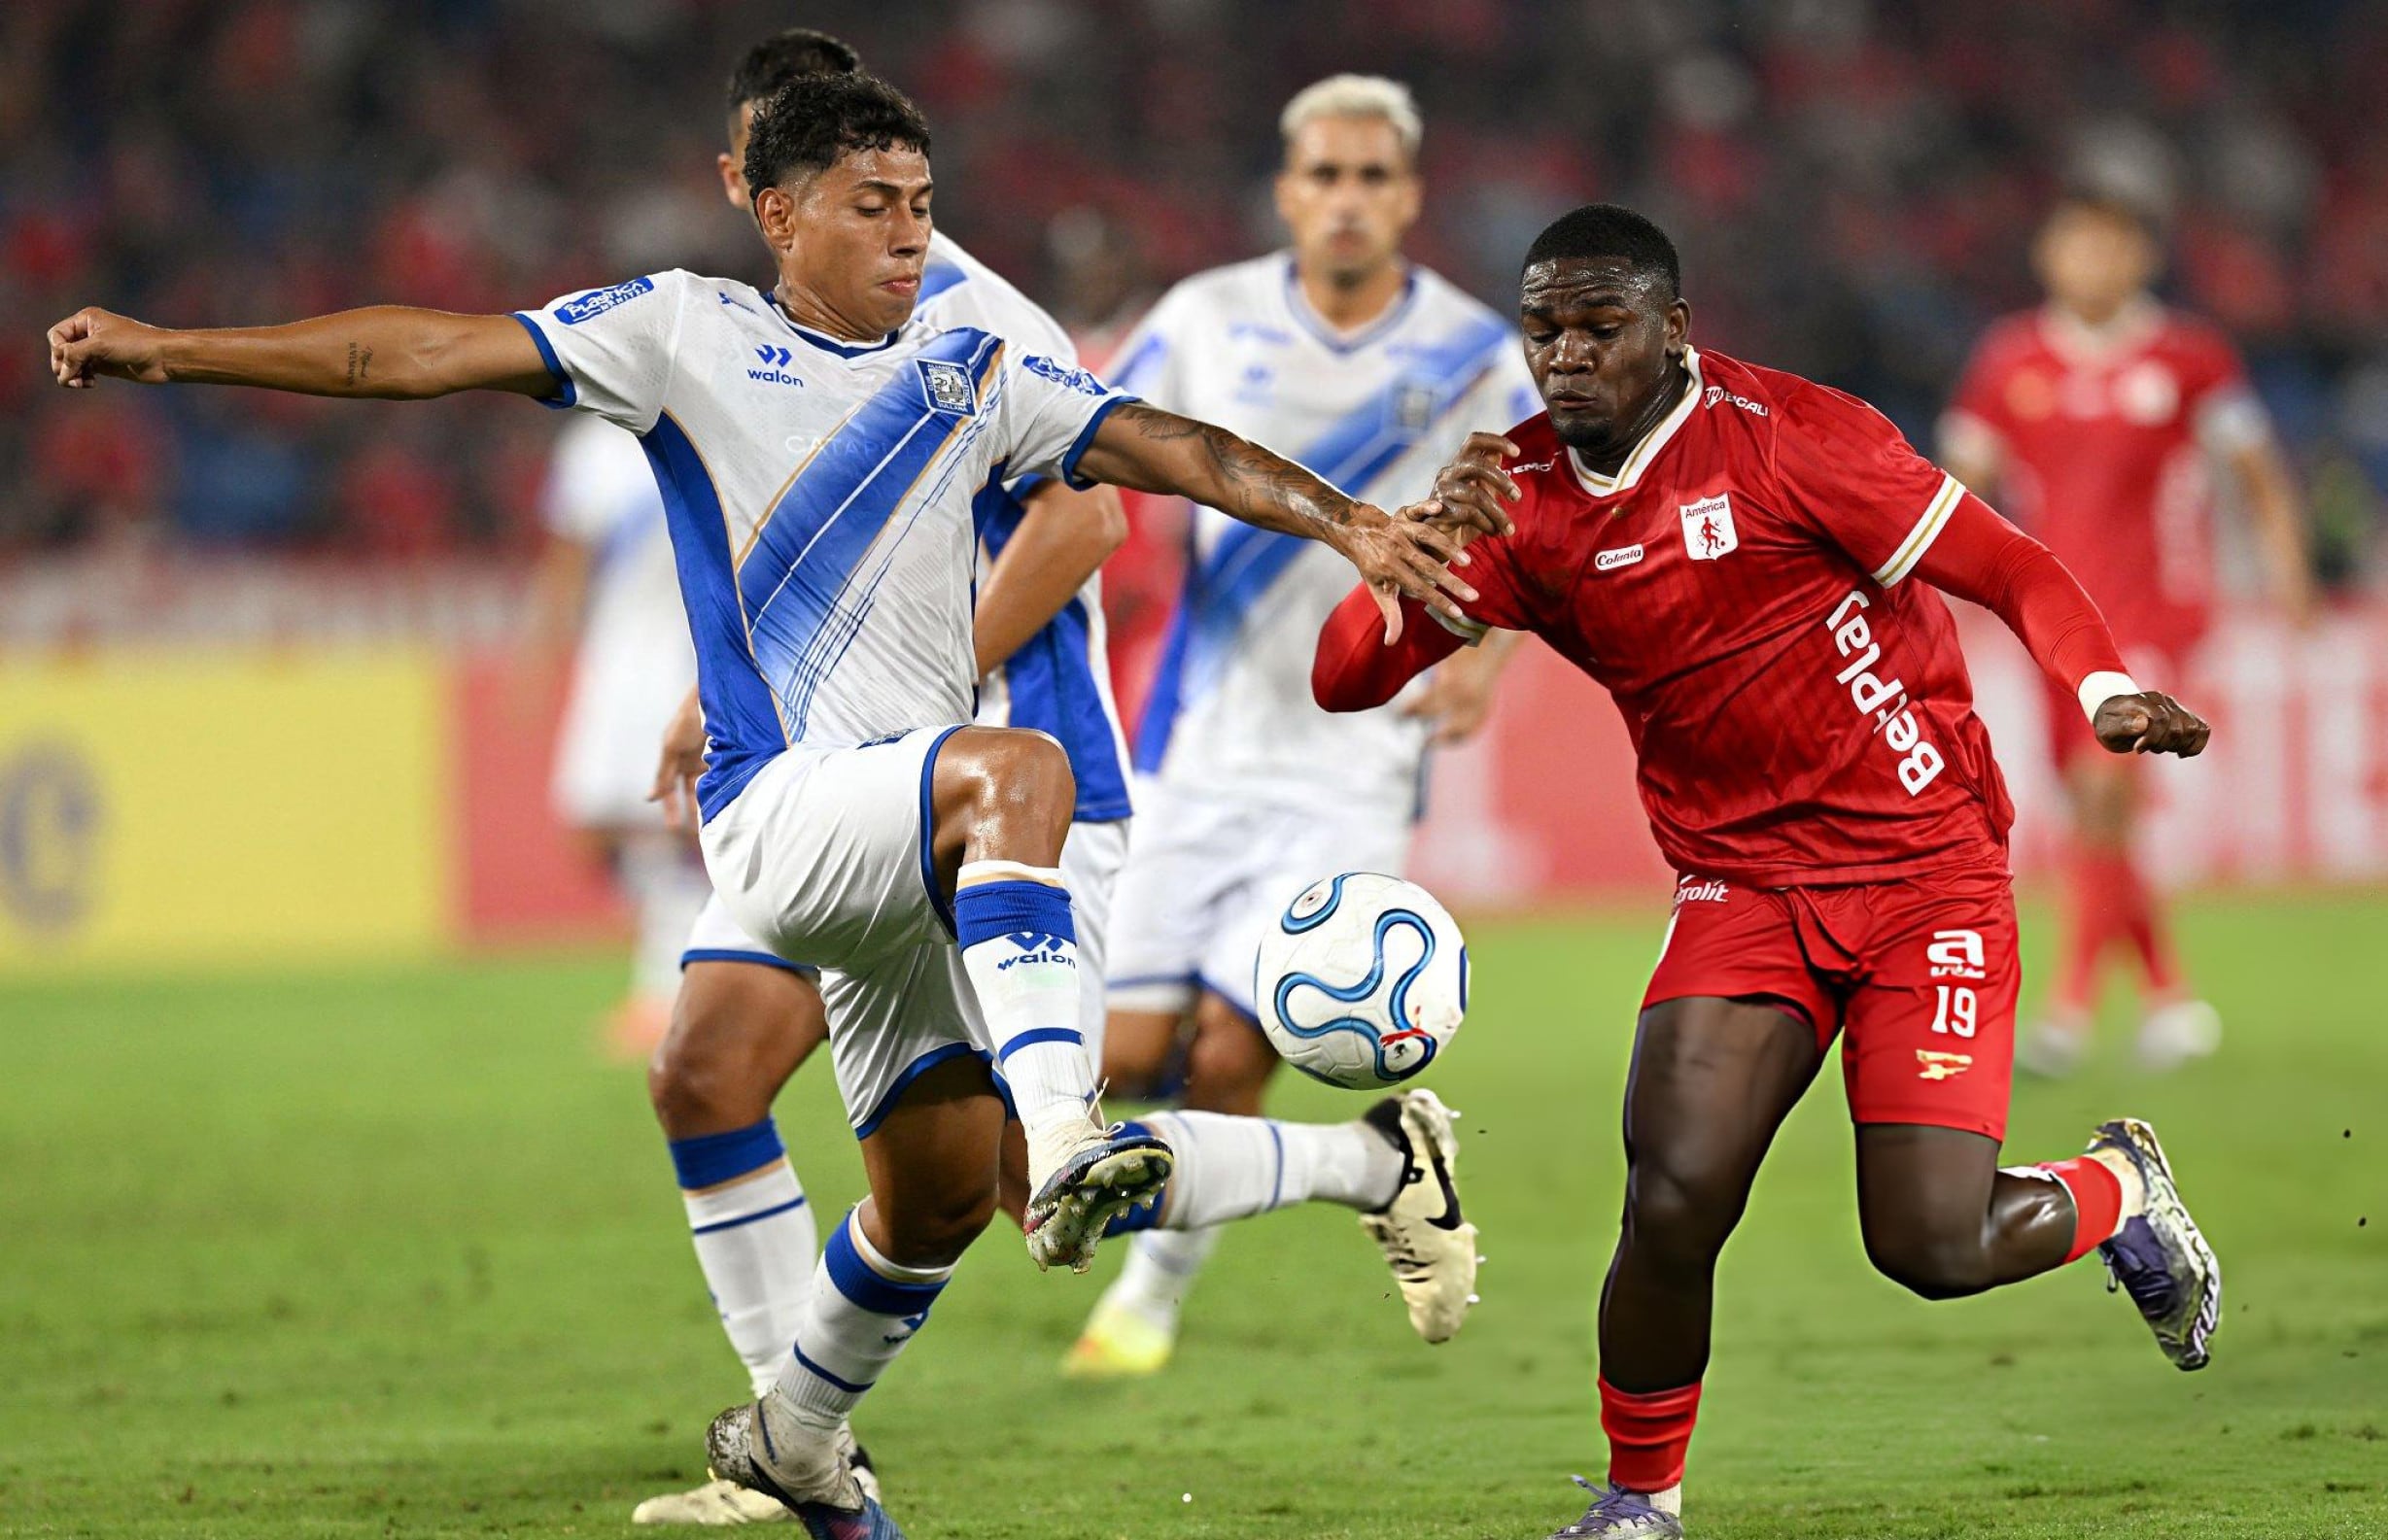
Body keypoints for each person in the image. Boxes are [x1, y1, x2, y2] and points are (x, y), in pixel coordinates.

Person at [47, 71, 1480, 1540]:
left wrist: (1352, 519)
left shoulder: (978, 360)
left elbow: (1164, 450)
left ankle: (799, 1439)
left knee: (938, 1206)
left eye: (921, 207)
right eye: (876, 208)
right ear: (773, 209)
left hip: (928, 849)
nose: (911, 237)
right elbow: (413, 355)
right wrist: (176, 351)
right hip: (794, 815)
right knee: (978, 838)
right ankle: (1072, 1131)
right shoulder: (682, 331)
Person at [629, 31, 1489, 1527]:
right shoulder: (798, 324)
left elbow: (1087, 526)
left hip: (1004, 779)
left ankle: (1368, 1159)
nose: (763, 194)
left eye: (796, 164)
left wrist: (921, 686)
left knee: (1023, 1179)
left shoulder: (959, 313)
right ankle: (793, 1441)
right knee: (705, 1068)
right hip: (869, 777)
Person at [1311, 204, 2223, 1540]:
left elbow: (2009, 564)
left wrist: (2098, 686)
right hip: (1741, 889)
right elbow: (1345, 677)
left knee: (1930, 1245)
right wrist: (1412, 546)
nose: (1563, 356)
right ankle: (1641, 1502)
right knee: (1672, 1190)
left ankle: (2118, 1190)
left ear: (1673, 333)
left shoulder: (1795, 439)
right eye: (1542, 328)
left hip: (1925, 876)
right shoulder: (1517, 500)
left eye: (1598, 326)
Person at [1070, 74, 1540, 1378]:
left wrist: (1492, 657)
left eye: (1371, 178)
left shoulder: (1469, 353)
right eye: (1324, 176)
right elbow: (1092, 441)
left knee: (1233, 1049)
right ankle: (1376, 1164)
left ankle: (1148, 1305)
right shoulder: (1202, 319)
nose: (1346, 200)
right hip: (1195, 745)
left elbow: (1541, 532)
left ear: (1410, 197)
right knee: (1110, 1063)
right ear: (1286, 191)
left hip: (1352, 757)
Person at [1941, 191, 2313, 1076]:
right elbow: (1959, 483)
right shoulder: (2009, 360)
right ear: (2047, 256)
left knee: (2105, 791)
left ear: (2139, 259)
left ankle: (2064, 1014)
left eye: (2110, 248)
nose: (2092, 264)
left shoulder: (2188, 358)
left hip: (2156, 612)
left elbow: (2256, 472)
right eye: (2076, 247)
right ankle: (2169, 999)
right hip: (2046, 618)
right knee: (2093, 820)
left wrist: (2287, 566)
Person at [521, 411, 711, 1056]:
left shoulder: (704, 420)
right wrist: (541, 652)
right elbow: (567, 557)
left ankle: (665, 992)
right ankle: (686, 955)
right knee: (594, 827)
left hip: (687, 653)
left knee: (672, 822)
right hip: (617, 653)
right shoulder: (596, 447)